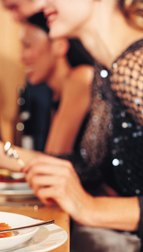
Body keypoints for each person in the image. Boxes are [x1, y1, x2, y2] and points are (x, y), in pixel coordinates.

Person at [0, 0, 143, 252]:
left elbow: (85, 192)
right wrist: (2, 153)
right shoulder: (108, 69)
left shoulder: (137, 66)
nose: (39, 2)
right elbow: (85, 165)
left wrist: (93, 209)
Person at [16, 12, 93, 154]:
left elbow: (53, 158)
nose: (21, 57)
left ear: (59, 46)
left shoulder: (81, 78)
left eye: (27, 46)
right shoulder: (46, 92)